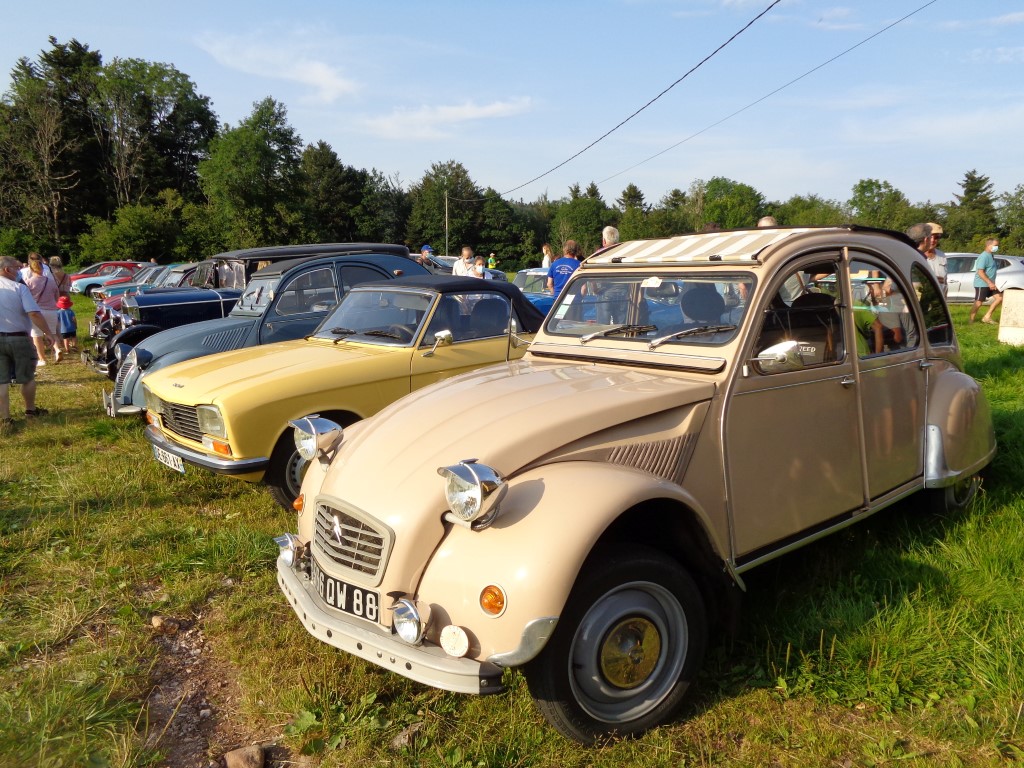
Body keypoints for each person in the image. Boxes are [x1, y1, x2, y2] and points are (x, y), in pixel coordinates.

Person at [1, 255, 60, 430]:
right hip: (18, 337)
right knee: (26, 377)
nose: (20, 271)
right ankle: (30, 411)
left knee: (1, 380)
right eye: (17, 268)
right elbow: (33, 313)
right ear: (7, 269)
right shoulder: (19, 288)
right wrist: (48, 333)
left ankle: (5, 419)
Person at [23, 253, 61, 365]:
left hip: (37, 311)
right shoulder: (51, 281)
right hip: (51, 310)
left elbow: (26, 298)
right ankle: (58, 350)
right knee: (52, 333)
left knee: (37, 335)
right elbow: (57, 296)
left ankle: (42, 359)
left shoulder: (29, 282)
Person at [970, 238, 1003, 324]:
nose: (997, 247)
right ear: (988, 245)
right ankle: (970, 321)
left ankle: (987, 317)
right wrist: (989, 282)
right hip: (982, 284)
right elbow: (980, 272)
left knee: (999, 298)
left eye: (997, 245)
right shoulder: (983, 256)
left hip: (990, 284)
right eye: (995, 245)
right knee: (979, 302)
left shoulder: (991, 255)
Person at [924, 222, 948, 294]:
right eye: (930, 236)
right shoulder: (916, 254)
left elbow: (945, 282)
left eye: (936, 237)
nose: (933, 240)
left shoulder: (942, 255)